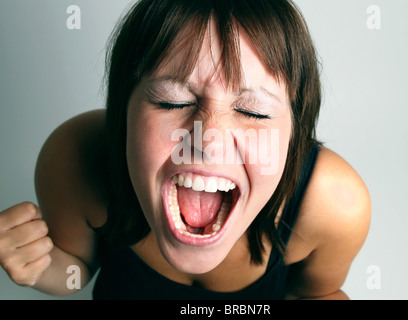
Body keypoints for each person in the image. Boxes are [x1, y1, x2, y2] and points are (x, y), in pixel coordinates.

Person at [0, 0, 370, 299]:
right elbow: (76, 270)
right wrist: (43, 266)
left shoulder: (334, 204)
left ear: (295, 132)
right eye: (171, 101)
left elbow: (318, 294)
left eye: (253, 111)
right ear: (122, 110)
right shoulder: (74, 157)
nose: (209, 140)